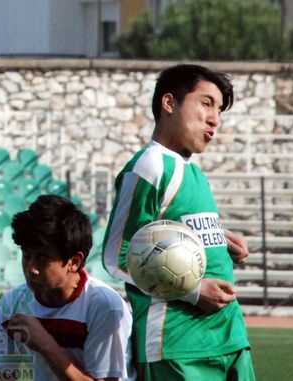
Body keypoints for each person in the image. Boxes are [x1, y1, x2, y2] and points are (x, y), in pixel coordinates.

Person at [101, 64, 255, 380]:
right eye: (206, 103)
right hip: (176, 345)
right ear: (169, 103)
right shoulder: (150, 165)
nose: (215, 119)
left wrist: (220, 238)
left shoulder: (192, 171)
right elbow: (117, 256)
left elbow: (168, 232)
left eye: (220, 111)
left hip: (228, 337)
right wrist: (193, 291)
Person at [0, 195, 135, 381]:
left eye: (43, 259)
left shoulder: (105, 307)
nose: (31, 269)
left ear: (74, 262)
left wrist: (45, 344)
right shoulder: (11, 304)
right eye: (26, 256)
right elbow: (3, 376)